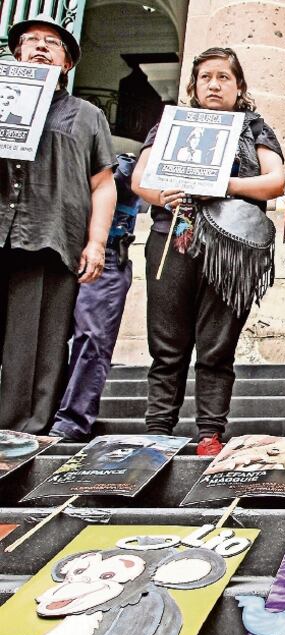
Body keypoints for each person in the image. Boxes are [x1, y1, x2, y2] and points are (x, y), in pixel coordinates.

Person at [133, 47, 285, 455]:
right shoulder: (171, 122)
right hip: (173, 237)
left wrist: (222, 185)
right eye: (206, 77)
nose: (214, 84)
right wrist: (164, 196)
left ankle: (210, 434)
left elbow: (275, 181)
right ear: (194, 85)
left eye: (224, 77)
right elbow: (140, 179)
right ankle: (158, 431)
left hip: (231, 248)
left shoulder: (255, 126)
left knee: (217, 345)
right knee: (166, 343)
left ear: (239, 87)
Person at [0, 15, 115, 435]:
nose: (41, 47)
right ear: (17, 54)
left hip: (49, 238)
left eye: (53, 43)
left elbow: (103, 184)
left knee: (33, 347)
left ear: (67, 64)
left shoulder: (85, 114)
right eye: (31, 41)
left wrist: (97, 242)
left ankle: (19, 436)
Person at [50, 154, 142, 441]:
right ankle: (49, 413)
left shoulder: (124, 165)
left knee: (92, 338)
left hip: (109, 252)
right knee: (47, 338)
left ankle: (72, 421)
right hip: (57, 249)